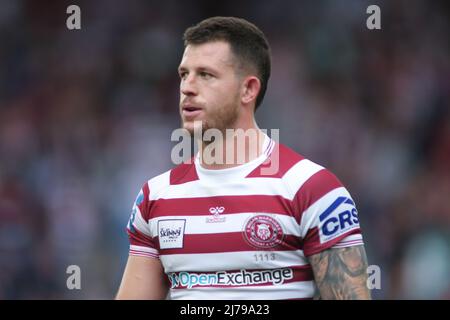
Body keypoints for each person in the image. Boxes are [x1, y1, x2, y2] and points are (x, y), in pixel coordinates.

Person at [116, 16, 371, 300]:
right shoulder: (156, 198)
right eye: (183, 74)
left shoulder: (313, 190)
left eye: (205, 75)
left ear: (248, 89)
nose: (187, 87)